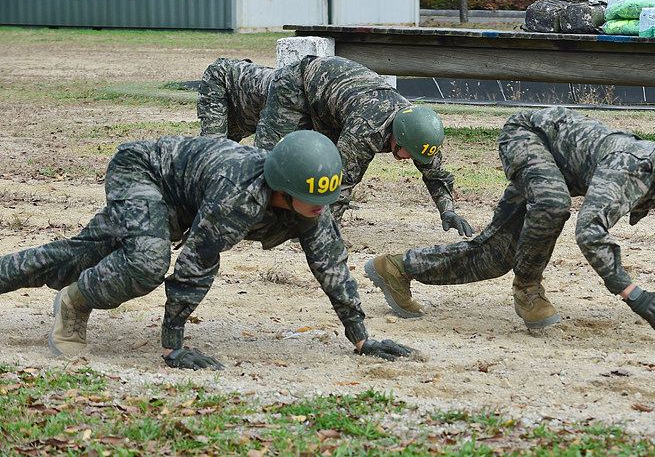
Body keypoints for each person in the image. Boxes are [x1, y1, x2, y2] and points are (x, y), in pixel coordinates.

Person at [0, 131, 416, 368]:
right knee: (146, 263)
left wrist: (361, 338)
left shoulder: (311, 200)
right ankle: (74, 303)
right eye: (313, 202)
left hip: (182, 203)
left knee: (80, 256)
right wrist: (172, 343)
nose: (321, 210)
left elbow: (331, 267)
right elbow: (197, 263)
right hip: (144, 173)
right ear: (282, 190)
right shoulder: (238, 195)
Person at [365, 107, 655, 331]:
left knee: (496, 255)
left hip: (555, 168)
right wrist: (632, 292)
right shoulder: (631, 169)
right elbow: (590, 231)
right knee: (554, 203)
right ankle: (528, 289)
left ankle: (396, 268)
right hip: (527, 135)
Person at [253, 55, 473, 235]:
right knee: (276, 155)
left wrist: (448, 211)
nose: (413, 160)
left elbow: (435, 175)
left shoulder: (420, 130)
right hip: (299, 84)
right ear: (399, 138)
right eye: (411, 154)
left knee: (319, 158)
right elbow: (341, 181)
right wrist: (324, 234)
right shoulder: (368, 128)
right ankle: (251, 210)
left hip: (336, 109)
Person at [196, 57, 276, 142]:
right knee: (214, 145)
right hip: (219, 78)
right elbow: (266, 146)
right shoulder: (280, 94)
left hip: (244, 102)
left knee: (230, 142)